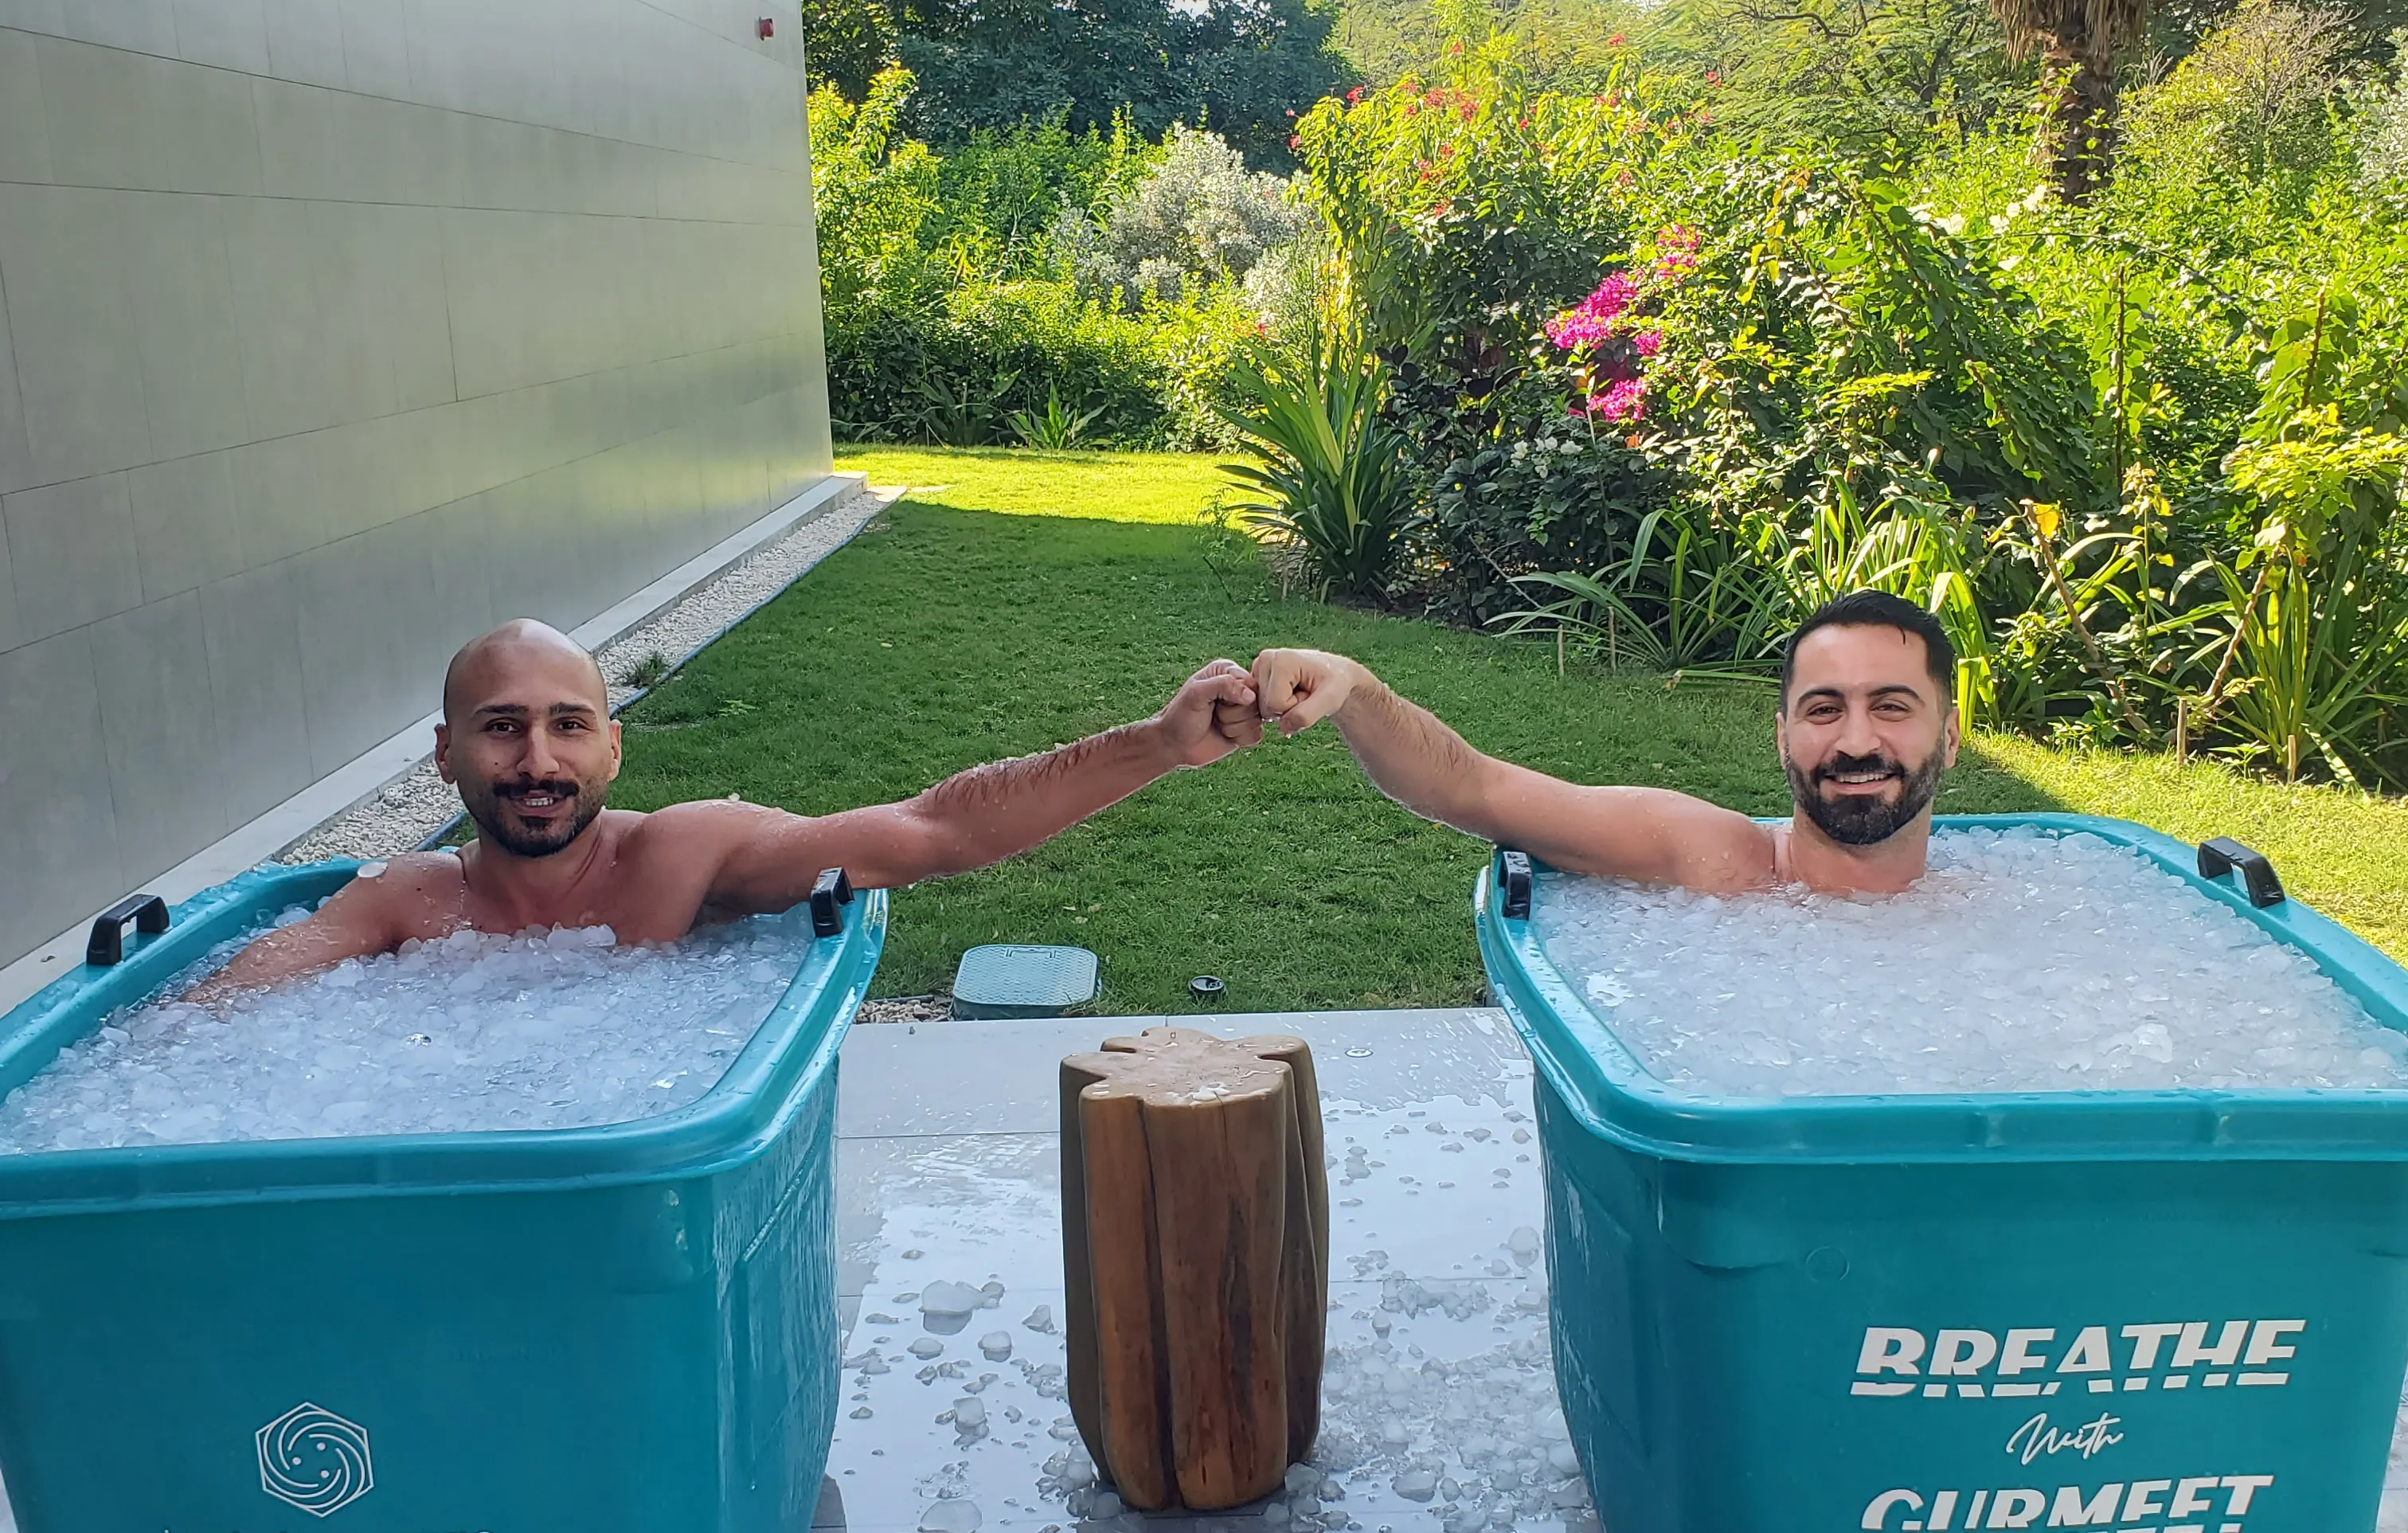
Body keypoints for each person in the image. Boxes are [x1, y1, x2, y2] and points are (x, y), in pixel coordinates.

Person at [199, 618, 1263, 994]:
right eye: (501, 727)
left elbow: (935, 829)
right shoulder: (400, 905)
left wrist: (1157, 744)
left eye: (569, 725)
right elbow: (197, 1030)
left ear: (613, 747)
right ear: (445, 754)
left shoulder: (682, 857)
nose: (538, 760)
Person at [1250, 588, 1961, 897]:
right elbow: (1471, 788)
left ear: (1952, 736)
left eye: (1891, 707)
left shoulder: (2007, 911)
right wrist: (1356, 688)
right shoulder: (1714, 862)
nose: (1856, 741)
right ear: (1782, 737)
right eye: (1824, 709)